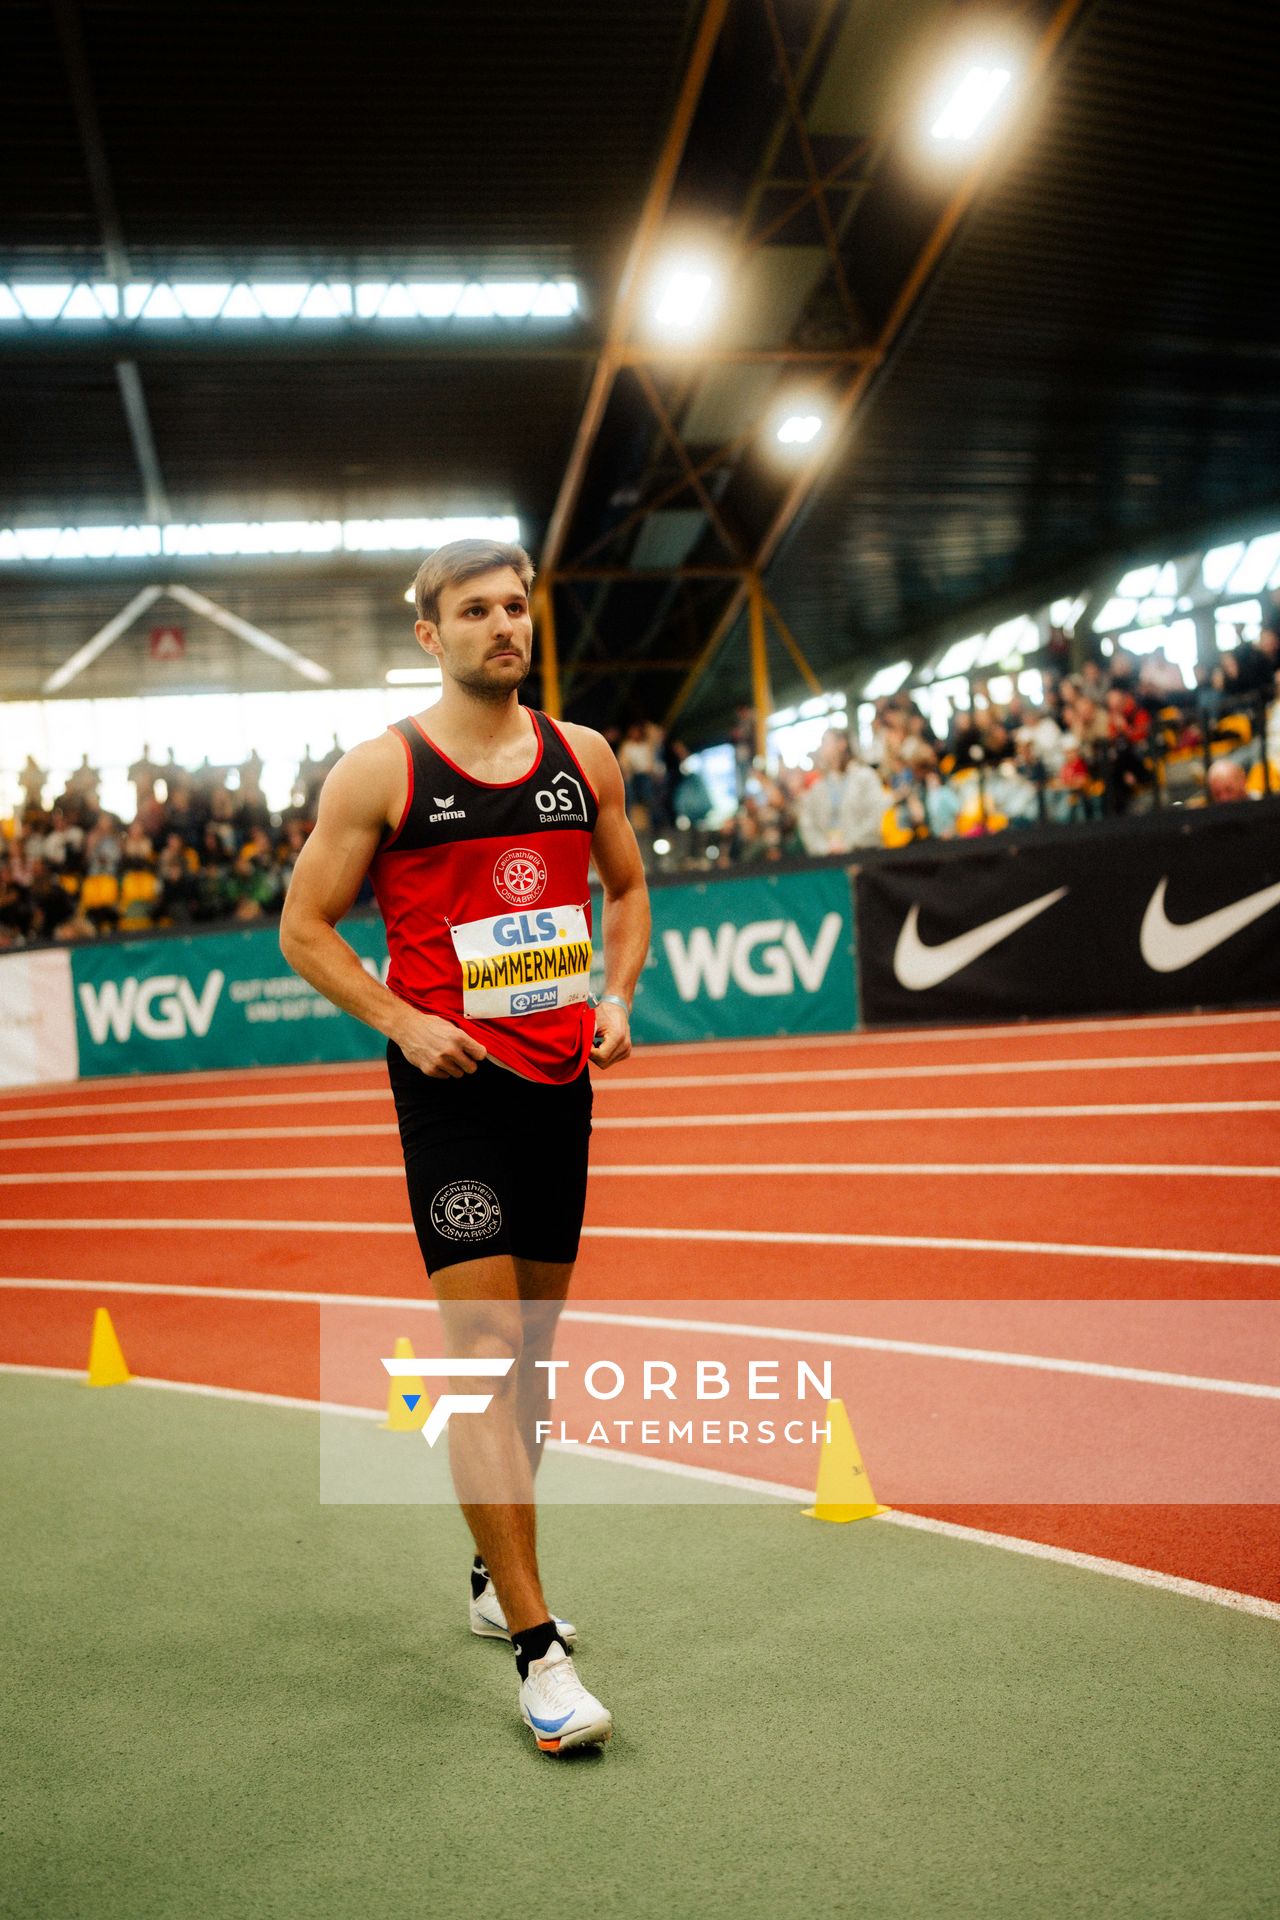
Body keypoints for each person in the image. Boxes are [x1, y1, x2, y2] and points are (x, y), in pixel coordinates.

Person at [280, 538, 650, 1757]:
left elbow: (628, 890)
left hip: (559, 1085)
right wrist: (401, 1020)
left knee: (530, 1359)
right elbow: (305, 927)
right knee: (483, 1356)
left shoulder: (580, 756)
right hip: (453, 1093)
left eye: (515, 606)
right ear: (428, 635)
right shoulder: (382, 770)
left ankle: (493, 1573)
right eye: (475, 611)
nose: (504, 625)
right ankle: (539, 1656)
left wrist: (617, 994)